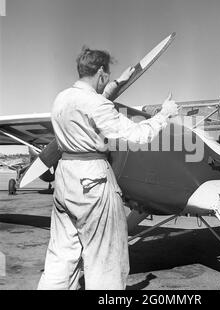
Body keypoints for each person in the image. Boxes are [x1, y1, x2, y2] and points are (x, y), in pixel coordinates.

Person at [37, 46, 179, 290]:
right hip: (93, 179)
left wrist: (117, 83)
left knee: (60, 258)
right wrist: (164, 115)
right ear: (101, 72)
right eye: (106, 76)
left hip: (64, 178)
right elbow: (136, 134)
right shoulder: (97, 104)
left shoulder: (61, 99)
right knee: (106, 259)